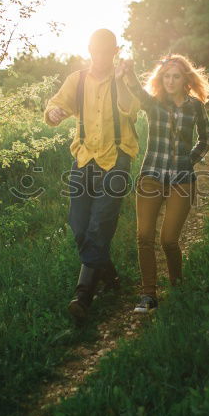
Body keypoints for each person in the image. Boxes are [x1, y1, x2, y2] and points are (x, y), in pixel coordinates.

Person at [43, 29, 141, 324]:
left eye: (107, 51)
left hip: (116, 159)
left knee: (100, 225)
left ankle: (83, 295)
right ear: (89, 50)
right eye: (96, 51)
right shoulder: (78, 80)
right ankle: (109, 276)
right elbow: (54, 106)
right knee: (78, 225)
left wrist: (125, 79)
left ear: (115, 51)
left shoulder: (124, 78)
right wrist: (55, 113)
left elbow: (131, 109)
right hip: (84, 159)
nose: (101, 56)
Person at [115, 54, 209, 313]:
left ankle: (178, 286)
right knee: (144, 236)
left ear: (185, 80)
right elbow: (136, 89)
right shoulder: (154, 104)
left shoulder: (195, 107)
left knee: (169, 240)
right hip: (151, 177)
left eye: (176, 76)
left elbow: (206, 138)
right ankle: (148, 295)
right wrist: (130, 71)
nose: (170, 81)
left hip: (182, 180)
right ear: (162, 79)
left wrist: (189, 160)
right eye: (166, 76)